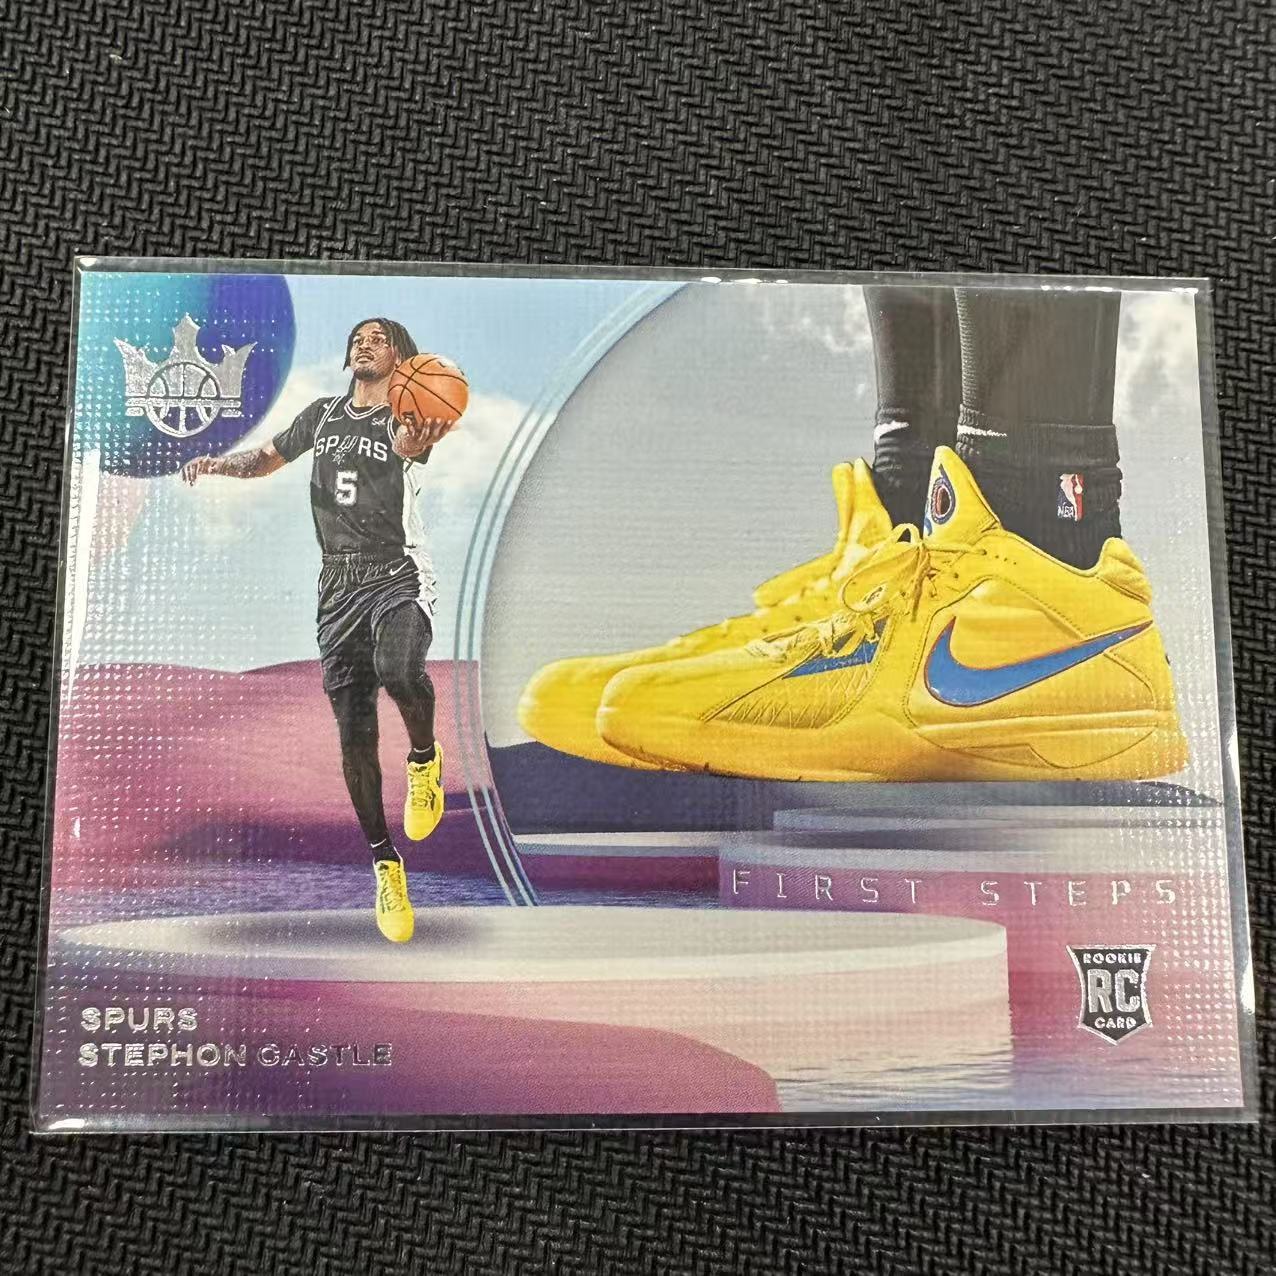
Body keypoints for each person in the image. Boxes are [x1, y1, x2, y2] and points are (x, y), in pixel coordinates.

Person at [182, 318, 455, 942]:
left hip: (396, 569)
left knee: (399, 669)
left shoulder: (409, 412)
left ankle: (424, 759)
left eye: (379, 337)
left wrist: (416, 437)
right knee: (354, 737)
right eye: (358, 336)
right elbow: (266, 459)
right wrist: (220, 464)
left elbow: (409, 445)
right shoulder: (322, 414)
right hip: (337, 584)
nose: (364, 342)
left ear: (402, 357)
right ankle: (385, 865)